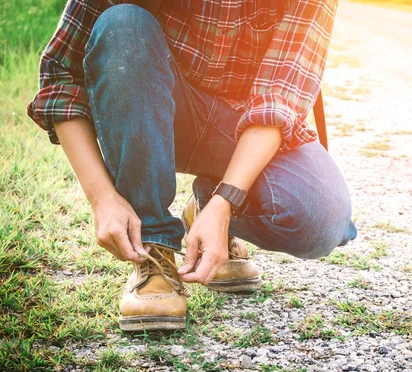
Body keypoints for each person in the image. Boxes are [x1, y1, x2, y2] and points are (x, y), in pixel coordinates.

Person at [27, 0, 357, 332]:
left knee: (322, 217)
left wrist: (224, 203)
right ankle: (153, 248)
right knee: (121, 24)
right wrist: (101, 198)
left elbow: (279, 99)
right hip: (160, 104)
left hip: (244, 125)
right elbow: (61, 76)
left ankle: (207, 209)